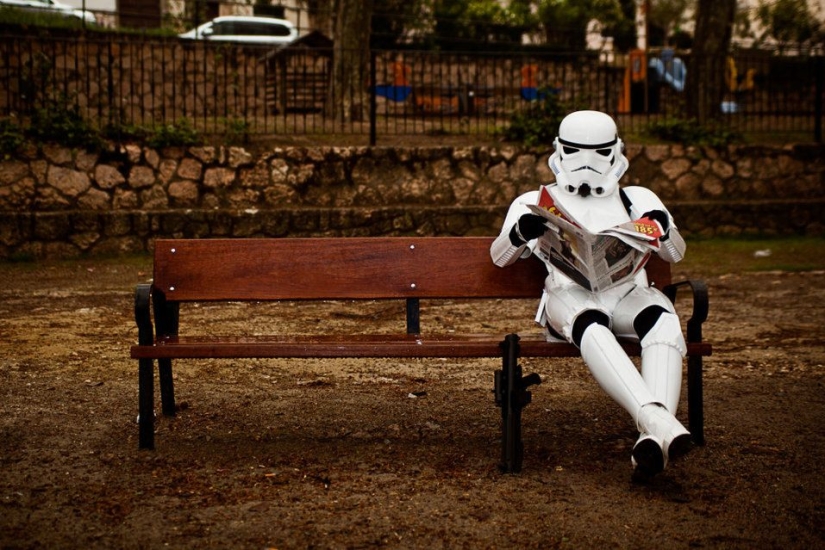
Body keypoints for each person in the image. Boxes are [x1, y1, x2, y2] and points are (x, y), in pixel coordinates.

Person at [490, 110, 690, 476]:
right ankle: (657, 422)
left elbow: (675, 252)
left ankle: (651, 441)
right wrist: (521, 232)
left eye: (598, 152)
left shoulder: (637, 197)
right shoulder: (534, 199)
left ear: (615, 151)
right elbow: (500, 257)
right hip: (569, 295)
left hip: (629, 291)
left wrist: (662, 226)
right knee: (591, 325)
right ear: (559, 150)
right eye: (575, 151)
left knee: (662, 323)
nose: (587, 163)